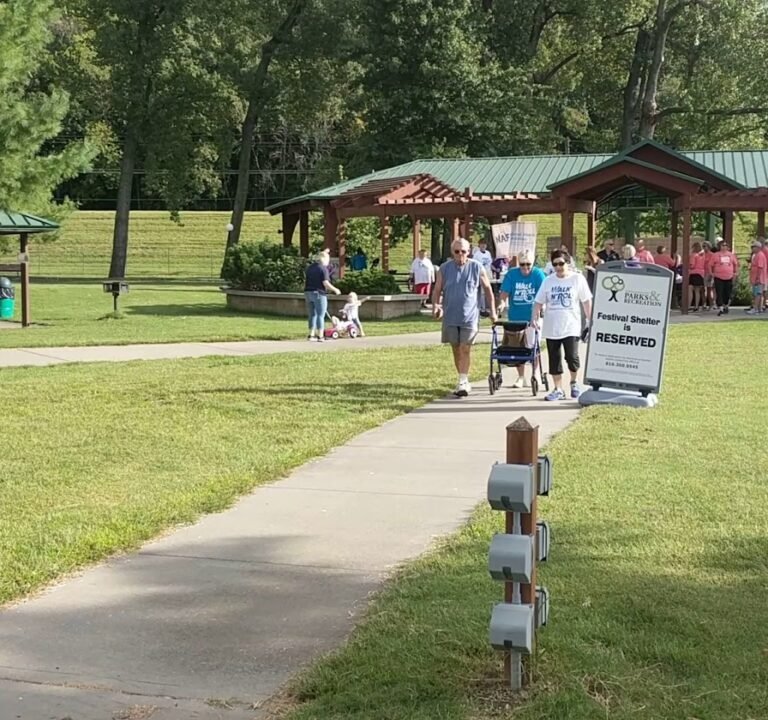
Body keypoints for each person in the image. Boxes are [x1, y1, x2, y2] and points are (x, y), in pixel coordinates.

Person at [432, 238, 497, 397]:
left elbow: (488, 290)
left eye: (463, 251)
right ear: (452, 252)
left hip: (470, 316)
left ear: (469, 252)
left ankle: (463, 380)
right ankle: (462, 378)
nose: (460, 254)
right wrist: (436, 306)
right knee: (455, 347)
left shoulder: (477, 267)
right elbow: (437, 289)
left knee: (465, 347)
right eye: (457, 251)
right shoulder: (444, 268)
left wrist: (493, 311)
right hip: (450, 316)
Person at [533, 250, 592, 401]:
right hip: (552, 326)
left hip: (571, 325)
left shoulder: (577, 279)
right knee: (554, 359)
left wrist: (590, 319)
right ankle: (558, 388)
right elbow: (538, 301)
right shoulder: (548, 281)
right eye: (555, 265)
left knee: (572, 357)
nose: (558, 267)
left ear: (568, 263)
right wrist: (534, 317)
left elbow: (586, 300)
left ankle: (574, 382)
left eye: (561, 263)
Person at [498, 249, 546, 388]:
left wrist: (541, 309)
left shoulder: (538, 274)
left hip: (533, 317)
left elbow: (543, 294)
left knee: (533, 346)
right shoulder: (512, 274)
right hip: (516, 318)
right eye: (522, 264)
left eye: (528, 264)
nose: (525, 267)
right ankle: (520, 377)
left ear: (533, 263)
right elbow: (504, 293)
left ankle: (535, 373)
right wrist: (502, 303)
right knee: (517, 348)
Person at [304, 250, 341, 342]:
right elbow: (325, 283)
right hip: (319, 293)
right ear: (324, 259)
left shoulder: (310, 268)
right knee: (320, 315)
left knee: (312, 314)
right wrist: (335, 289)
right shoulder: (323, 269)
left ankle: (311, 334)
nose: (328, 262)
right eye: (328, 259)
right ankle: (320, 336)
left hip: (308, 292)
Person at [709, 238, 739, 315]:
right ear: (719, 246)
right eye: (722, 245)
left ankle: (726, 305)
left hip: (729, 276)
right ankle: (721, 308)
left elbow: (735, 264)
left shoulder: (731, 255)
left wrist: (736, 273)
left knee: (727, 293)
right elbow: (710, 265)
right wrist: (711, 273)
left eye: (725, 245)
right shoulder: (715, 255)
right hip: (718, 276)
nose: (724, 247)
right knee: (719, 292)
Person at [473, 239, 494, 315]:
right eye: (482, 244)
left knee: (488, 291)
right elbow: (474, 265)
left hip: (488, 274)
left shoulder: (488, 253)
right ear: (479, 245)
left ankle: (489, 307)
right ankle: (482, 308)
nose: (483, 245)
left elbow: (490, 264)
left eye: (484, 244)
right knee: (481, 292)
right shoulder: (477, 254)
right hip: (481, 274)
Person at [747, 240, 767, 315]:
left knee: (757, 294)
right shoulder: (756, 255)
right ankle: (758, 308)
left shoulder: (760, 255)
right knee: (758, 293)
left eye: (753, 247)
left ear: (758, 247)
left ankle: (755, 309)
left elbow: (760, 268)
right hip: (756, 278)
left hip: (758, 279)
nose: (752, 248)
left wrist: (757, 278)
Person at [688, 242, 706, 311]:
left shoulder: (693, 255)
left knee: (690, 289)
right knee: (697, 291)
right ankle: (696, 306)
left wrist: (688, 266)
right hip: (701, 274)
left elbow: (692, 265)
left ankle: (688, 305)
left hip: (693, 273)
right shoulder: (702, 256)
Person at [702, 241, 715, 310]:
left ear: (709, 247)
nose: (703, 248)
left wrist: (711, 274)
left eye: (705, 246)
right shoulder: (701, 254)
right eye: (703, 246)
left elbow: (713, 265)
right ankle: (704, 304)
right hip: (702, 273)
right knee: (703, 289)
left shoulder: (712, 255)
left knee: (709, 289)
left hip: (709, 273)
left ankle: (711, 304)